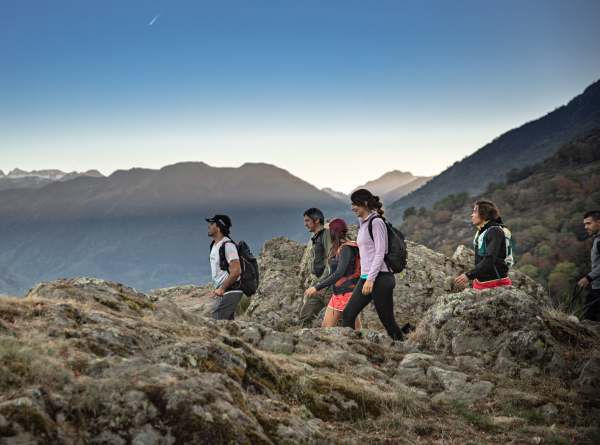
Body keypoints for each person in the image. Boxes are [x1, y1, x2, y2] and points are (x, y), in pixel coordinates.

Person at [341, 189, 405, 341]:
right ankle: (351, 351)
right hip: (367, 277)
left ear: (364, 203)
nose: (352, 208)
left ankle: (405, 350)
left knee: (387, 321)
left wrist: (370, 279)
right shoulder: (363, 224)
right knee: (348, 314)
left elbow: (380, 253)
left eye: (353, 204)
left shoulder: (376, 223)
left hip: (380, 278)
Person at [305, 218, 362, 329]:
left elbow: (339, 273)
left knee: (353, 332)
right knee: (327, 329)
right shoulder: (344, 245)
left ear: (333, 233)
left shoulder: (346, 248)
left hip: (345, 294)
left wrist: (317, 287)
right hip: (338, 293)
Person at [455, 200, 512, 290]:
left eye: (475, 212)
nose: (472, 215)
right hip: (481, 282)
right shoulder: (483, 231)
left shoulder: (494, 231)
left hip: (495, 283)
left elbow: (490, 258)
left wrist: (469, 275)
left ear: (483, 214)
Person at [299, 208, 333, 328]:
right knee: (306, 315)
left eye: (308, 221)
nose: (305, 224)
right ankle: (304, 341)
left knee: (339, 317)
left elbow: (331, 258)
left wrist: (321, 283)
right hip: (318, 281)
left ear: (317, 220)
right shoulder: (316, 236)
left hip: (327, 284)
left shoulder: (326, 234)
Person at [207, 214, 243, 320]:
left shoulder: (228, 245)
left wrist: (222, 289)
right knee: (227, 326)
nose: (208, 226)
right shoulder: (214, 245)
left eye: (211, 224)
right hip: (223, 292)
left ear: (219, 228)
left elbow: (236, 270)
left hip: (231, 290)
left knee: (216, 322)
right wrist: (216, 290)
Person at [577, 210, 600, 321]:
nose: (586, 227)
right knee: (587, 315)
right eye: (585, 224)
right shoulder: (597, 239)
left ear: (599, 222)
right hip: (596, 288)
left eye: (589, 223)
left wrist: (588, 278)